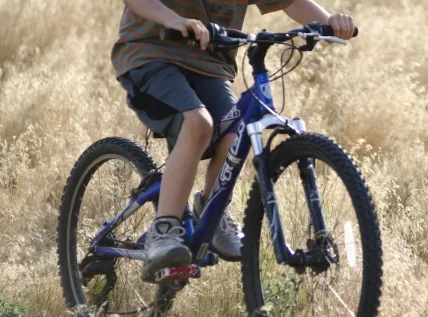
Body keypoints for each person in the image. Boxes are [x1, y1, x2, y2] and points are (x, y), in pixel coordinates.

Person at [112, 0, 356, 282]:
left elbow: (292, 2)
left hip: (210, 66)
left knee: (236, 131)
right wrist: (172, 20)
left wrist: (330, 24)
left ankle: (211, 211)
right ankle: (164, 231)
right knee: (199, 124)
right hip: (151, 55)